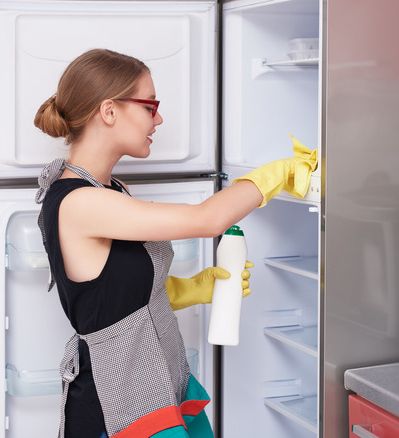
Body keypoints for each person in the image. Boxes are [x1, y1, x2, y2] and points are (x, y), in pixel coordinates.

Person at [33, 48, 317, 438]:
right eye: (151, 106)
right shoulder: (81, 201)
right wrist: (275, 175)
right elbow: (207, 219)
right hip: (113, 407)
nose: (159, 118)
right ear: (109, 111)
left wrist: (186, 290)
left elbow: (110, 292)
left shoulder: (108, 189)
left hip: (155, 386)